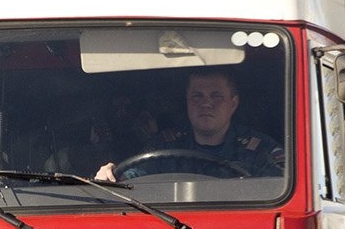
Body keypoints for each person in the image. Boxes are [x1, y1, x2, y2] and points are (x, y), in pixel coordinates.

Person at [95, 68, 284, 182]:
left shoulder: (262, 151)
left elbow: (285, 196)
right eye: (197, 96)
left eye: (216, 96)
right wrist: (111, 176)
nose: (206, 104)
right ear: (187, 101)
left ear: (233, 103)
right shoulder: (164, 146)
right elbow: (132, 179)